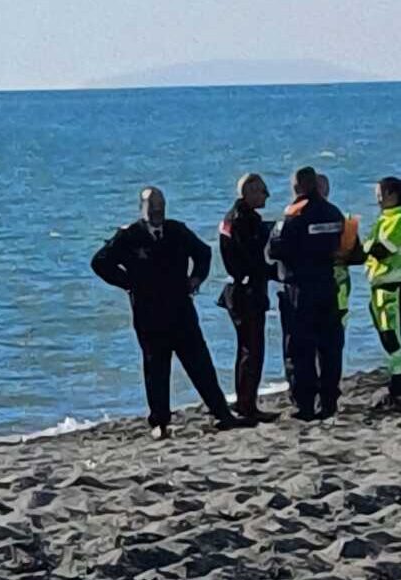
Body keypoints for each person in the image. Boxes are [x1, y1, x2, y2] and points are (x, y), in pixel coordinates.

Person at [91, 187, 250, 439]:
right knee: (156, 368)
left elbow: (203, 253)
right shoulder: (129, 236)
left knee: (200, 364)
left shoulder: (177, 231)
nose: (157, 211)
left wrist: (196, 278)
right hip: (149, 314)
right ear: (142, 208)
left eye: (161, 205)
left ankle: (223, 414)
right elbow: (100, 262)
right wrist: (128, 283)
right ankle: (160, 423)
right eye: (152, 206)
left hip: (181, 311)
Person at [267, 167, 346, 421]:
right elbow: (344, 246)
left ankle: (305, 405)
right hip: (327, 284)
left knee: (299, 347)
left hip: (300, 288)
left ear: (299, 187)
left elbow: (274, 249)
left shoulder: (294, 213)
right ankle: (329, 400)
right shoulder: (334, 213)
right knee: (329, 346)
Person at [216, 174, 279, 423]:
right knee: (251, 350)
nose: (267, 195)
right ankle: (246, 404)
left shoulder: (235, 218)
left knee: (248, 349)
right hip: (246, 291)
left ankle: (246, 400)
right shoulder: (244, 221)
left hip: (241, 289)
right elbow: (251, 260)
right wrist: (279, 272)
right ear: (249, 193)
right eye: (262, 191)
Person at [364, 175, 401, 407]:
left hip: (393, 284)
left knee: (392, 336)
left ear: (392, 195)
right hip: (382, 283)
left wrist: (363, 247)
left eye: (380, 194)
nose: (377, 199)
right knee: (387, 334)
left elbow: (381, 249)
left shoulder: (400, 218)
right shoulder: (387, 218)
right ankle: (398, 386)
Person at [316, 174, 366, 328]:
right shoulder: (343, 218)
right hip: (338, 281)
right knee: (336, 326)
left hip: (316, 282)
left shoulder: (298, 218)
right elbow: (358, 256)